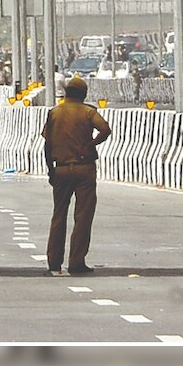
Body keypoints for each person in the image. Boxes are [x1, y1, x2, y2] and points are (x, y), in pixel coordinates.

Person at [42, 76, 111, 274]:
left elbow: (47, 144)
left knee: (59, 215)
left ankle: (54, 261)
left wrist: (50, 170)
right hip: (84, 168)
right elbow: (105, 129)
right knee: (83, 216)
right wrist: (90, 145)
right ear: (83, 95)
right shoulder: (88, 111)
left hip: (61, 168)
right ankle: (76, 260)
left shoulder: (54, 112)